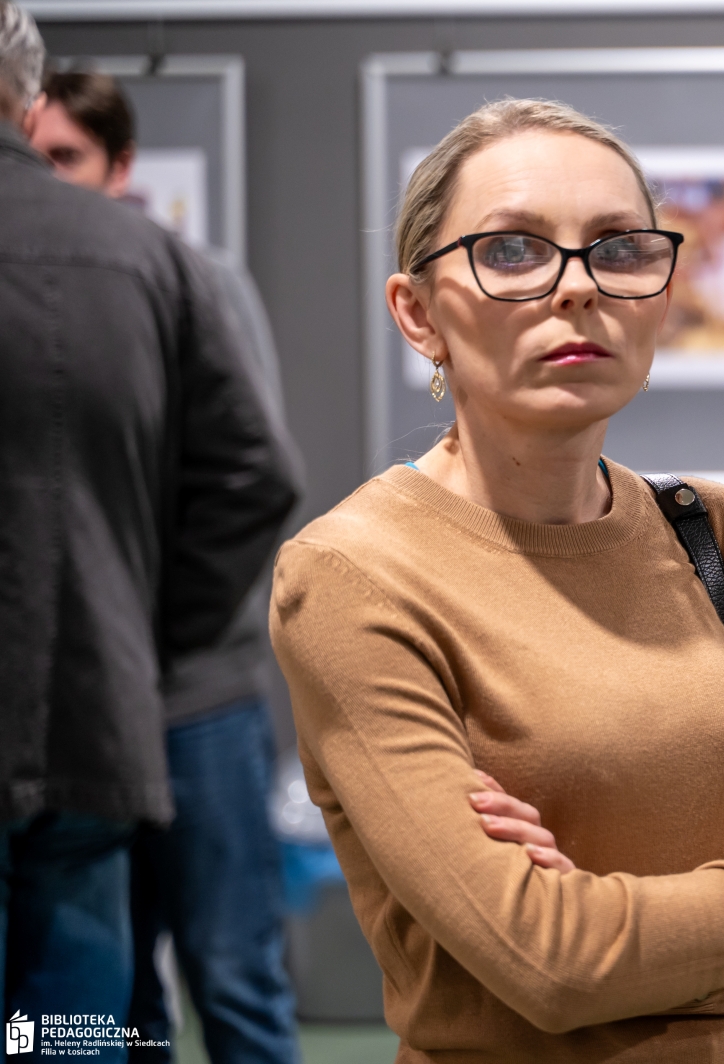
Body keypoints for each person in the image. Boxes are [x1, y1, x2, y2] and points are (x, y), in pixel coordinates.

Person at [268, 97, 724, 1063]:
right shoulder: (352, 575)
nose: (577, 287)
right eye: (511, 251)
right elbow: (550, 966)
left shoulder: (721, 533)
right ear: (419, 313)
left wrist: (622, 946)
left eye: (618, 250)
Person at [0, 3, 300, 1057]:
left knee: (223, 967)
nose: (51, 173)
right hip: (96, 703)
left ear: (119, 164)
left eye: (71, 156)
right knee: (93, 1008)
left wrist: (146, 628)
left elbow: (250, 473)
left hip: (183, 687)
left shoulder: (178, 272)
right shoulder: (138, 264)